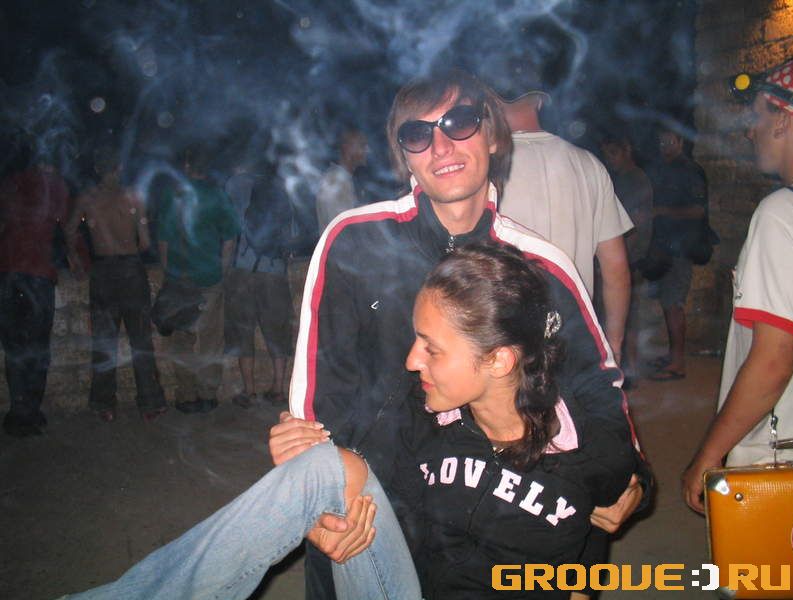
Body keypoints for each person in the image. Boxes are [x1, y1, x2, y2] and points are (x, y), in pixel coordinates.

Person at [65, 243, 639, 600]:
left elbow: (588, 563)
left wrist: (634, 489)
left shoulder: (587, 446)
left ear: (499, 360)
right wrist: (326, 520)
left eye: (432, 348)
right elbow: (368, 490)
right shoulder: (427, 418)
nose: (411, 360)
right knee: (326, 467)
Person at [289, 68, 648, 598]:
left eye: (459, 123)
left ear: (493, 135)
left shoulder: (540, 266)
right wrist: (318, 500)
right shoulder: (353, 242)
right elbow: (316, 400)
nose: (440, 146)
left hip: (486, 521)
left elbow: (595, 385)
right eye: (417, 134)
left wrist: (630, 475)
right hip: (367, 509)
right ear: (403, 155)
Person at [682, 59, 793, 513]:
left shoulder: (783, 213)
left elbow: (773, 361)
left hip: (782, 457)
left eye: (756, 117)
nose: (750, 132)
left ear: (783, 119)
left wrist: (710, 454)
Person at [496, 89, 633, 364]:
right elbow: (616, 269)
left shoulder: (483, 167)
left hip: (506, 347)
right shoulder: (589, 164)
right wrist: (614, 344)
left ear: (489, 100)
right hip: (575, 339)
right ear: (540, 100)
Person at [64, 149, 167, 422]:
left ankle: (103, 404)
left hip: (102, 271)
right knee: (141, 339)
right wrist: (128, 246)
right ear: (119, 168)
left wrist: (75, 259)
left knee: (104, 341)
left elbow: (69, 230)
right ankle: (150, 403)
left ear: (98, 169)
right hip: (131, 270)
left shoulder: (88, 198)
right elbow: (145, 242)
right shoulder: (133, 196)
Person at [157, 146, 239, 413]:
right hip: (209, 278)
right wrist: (222, 270)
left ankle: (186, 395)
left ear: (187, 166)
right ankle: (207, 395)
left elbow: (163, 240)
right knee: (210, 340)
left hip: (179, 278)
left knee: (181, 341)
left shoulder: (173, 195)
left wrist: (169, 272)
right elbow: (230, 239)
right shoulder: (217, 196)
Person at [0, 143, 70, 437]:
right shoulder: (56, 185)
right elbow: (66, 226)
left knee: (15, 347)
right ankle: (29, 411)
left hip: (8, 273)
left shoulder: (11, 183)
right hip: (38, 274)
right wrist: (81, 260)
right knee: (38, 347)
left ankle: (19, 411)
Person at [224, 158, 294, 408]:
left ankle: (249, 390)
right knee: (278, 330)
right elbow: (291, 234)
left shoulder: (234, 185)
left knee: (243, 331)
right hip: (273, 270)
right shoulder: (280, 189)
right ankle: (278, 388)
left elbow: (228, 227)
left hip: (242, 270)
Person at [647, 127, 708, 381]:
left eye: (668, 140)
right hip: (666, 248)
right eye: (661, 140)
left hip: (681, 248)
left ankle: (678, 363)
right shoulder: (665, 169)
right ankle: (673, 356)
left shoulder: (690, 170)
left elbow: (698, 211)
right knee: (668, 302)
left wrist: (661, 211)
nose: (664, 145)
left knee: (674, 305)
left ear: (680, 141)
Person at [601, 134, 654, 386]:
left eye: (613, 153)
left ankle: (630, 370)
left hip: (632, 257)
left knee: (629, 316)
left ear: (627, 150)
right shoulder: (620, 179)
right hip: (626, 256)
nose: (610, 159)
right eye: (607, 155)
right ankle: (627, 368)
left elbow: (635, 224)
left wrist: (620, 256)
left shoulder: (636, 180)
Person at [315, 127, 368, 233]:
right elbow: (340, 227)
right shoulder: (335, 181)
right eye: (361, 145)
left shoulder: (344, 180)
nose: (367, 150)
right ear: (348, 148)